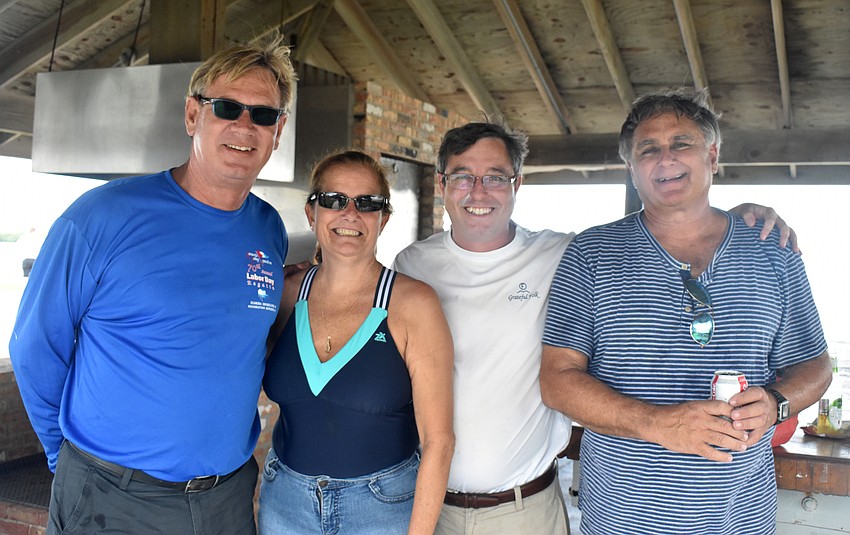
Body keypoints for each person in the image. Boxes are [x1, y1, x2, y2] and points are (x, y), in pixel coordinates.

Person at [393, 120, 800, 534]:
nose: (478, 191)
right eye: (463, 176)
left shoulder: (564, 254)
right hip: (422, 499)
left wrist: (730, 218)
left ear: (518, 183)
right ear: (442, 183)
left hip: (525, 507)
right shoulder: (410, 266)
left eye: (495, 177)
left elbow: (659, 232)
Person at [9, 35, 296, 535]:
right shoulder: (102, 217)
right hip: (110, 497)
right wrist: (67, 460)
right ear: (192, 115)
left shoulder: (268, 228)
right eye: (227, 108)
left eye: (263, 115)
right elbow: (35, 345)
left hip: (225, 499)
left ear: (278, 130)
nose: (245, 127)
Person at [540, 89, 831, 535]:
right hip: (623, 517)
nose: (665, 159)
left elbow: (814, 365)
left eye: (682, 143)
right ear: (631, 167)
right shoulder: (592, 253)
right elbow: (557, 380)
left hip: (741, 516)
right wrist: (659, 424)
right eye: (648, 149)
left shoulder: (773, 250)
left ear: (712, 155)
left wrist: (776, 402)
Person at [259, 150, 454, 535]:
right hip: (285, 504)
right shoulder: (284, 294)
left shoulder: (413, 304)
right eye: (333, 200)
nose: (350, 214)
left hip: (381, 509)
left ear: (383, 219)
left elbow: (439, 441)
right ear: (311, 213)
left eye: (368, 203)